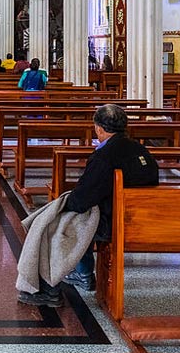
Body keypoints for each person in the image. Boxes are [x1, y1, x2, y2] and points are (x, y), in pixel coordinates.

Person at [62, 104, 158, 296]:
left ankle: (83, 273)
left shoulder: (104, 156)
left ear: (98, 128)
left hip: (115, 222)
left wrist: (64, 205)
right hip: (146, 219)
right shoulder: (141, 150)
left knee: (75, 216)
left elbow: (83, 198)